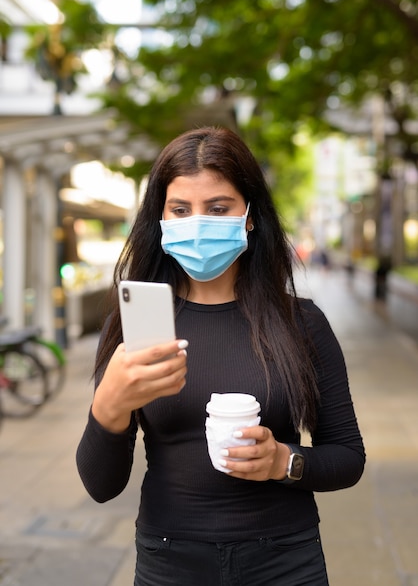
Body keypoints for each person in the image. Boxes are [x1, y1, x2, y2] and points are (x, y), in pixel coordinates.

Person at [76, 126, 365, 586]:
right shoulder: (134, 326)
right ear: (161, 219)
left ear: (249, 215)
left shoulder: (303, 323)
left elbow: (348, 457)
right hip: (168, 561)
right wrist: (108, 407)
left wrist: (284, 462)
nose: (197, 222)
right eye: (180, 209)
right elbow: (101, 486)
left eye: (217, 208)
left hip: (286, 560)